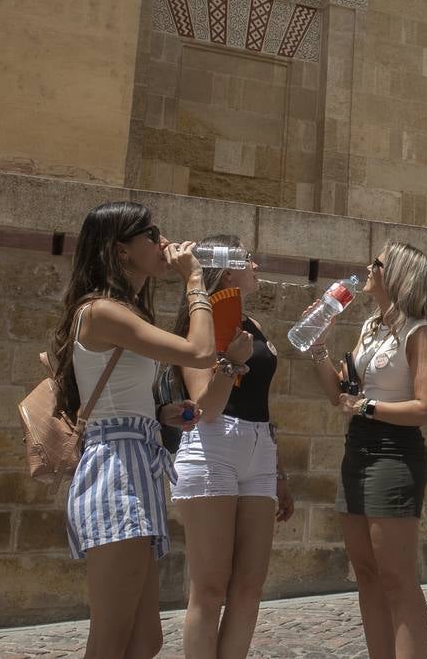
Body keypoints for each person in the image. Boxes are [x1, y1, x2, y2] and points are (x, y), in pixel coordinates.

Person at [51, 202, 251, 659]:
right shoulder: (100, 311)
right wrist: (196, 280)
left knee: (144, 640)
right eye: (150, 234)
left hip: (137, 460)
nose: (163, 242)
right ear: (121, 250)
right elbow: (199, 351)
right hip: (114, 472)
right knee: (110, 639)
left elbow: (114, 394)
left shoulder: (125, 310)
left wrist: (159, 414)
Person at [305, 242, 427, 659]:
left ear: (397, 275)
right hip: (358, 448)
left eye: (378, 263)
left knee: (397, 578)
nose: (368, 267)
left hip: (394, 453)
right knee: (365, 574)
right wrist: (318, 347)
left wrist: (367, 406)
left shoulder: (418, 330)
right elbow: (339, 394)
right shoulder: (371, 326)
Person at [167, 235, 296, 658]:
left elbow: (261, 399)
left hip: (259, 448)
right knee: (209, 588)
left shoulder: (251, 323)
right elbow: (205, 406)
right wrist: (230, 364)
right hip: (213, 445)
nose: (256, 264)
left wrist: (278, 471)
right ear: (224, 267)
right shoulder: (199, 323)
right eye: (246, 258)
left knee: (250, 587)